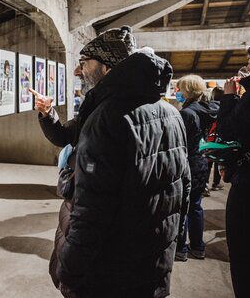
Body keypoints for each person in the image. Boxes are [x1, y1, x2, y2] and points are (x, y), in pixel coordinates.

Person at [37, 27, 190, 298]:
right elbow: (183, 190)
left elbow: (92, 210)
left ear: (107, 68)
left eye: (84, 63)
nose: (77, 71)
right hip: (151, 261)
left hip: (109, 271)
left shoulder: (108, 118)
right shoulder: (171, 113)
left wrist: (69, 273)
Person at [217, 45, 250, 298]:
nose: (248, 67)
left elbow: (229, 130)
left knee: (243, 253)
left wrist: (229, 97)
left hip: (249, 181)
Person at [174, 75, 219, 262]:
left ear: (188, 91)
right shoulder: (207, 110)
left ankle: (181, 249)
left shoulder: (187, 114)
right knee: (196, 206)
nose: (177, 93)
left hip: (187, 163)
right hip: (201, 162)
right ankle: (198, 247)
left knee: (182, 207)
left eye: (179, 89)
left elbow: (179, 142)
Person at [208, 86, 224, 191]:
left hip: (208, 139)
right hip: (219, 139)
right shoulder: (225, 107)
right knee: (218, 162)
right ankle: (216, 183)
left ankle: (204, 186)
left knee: (208, 163)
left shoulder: (207, 107)